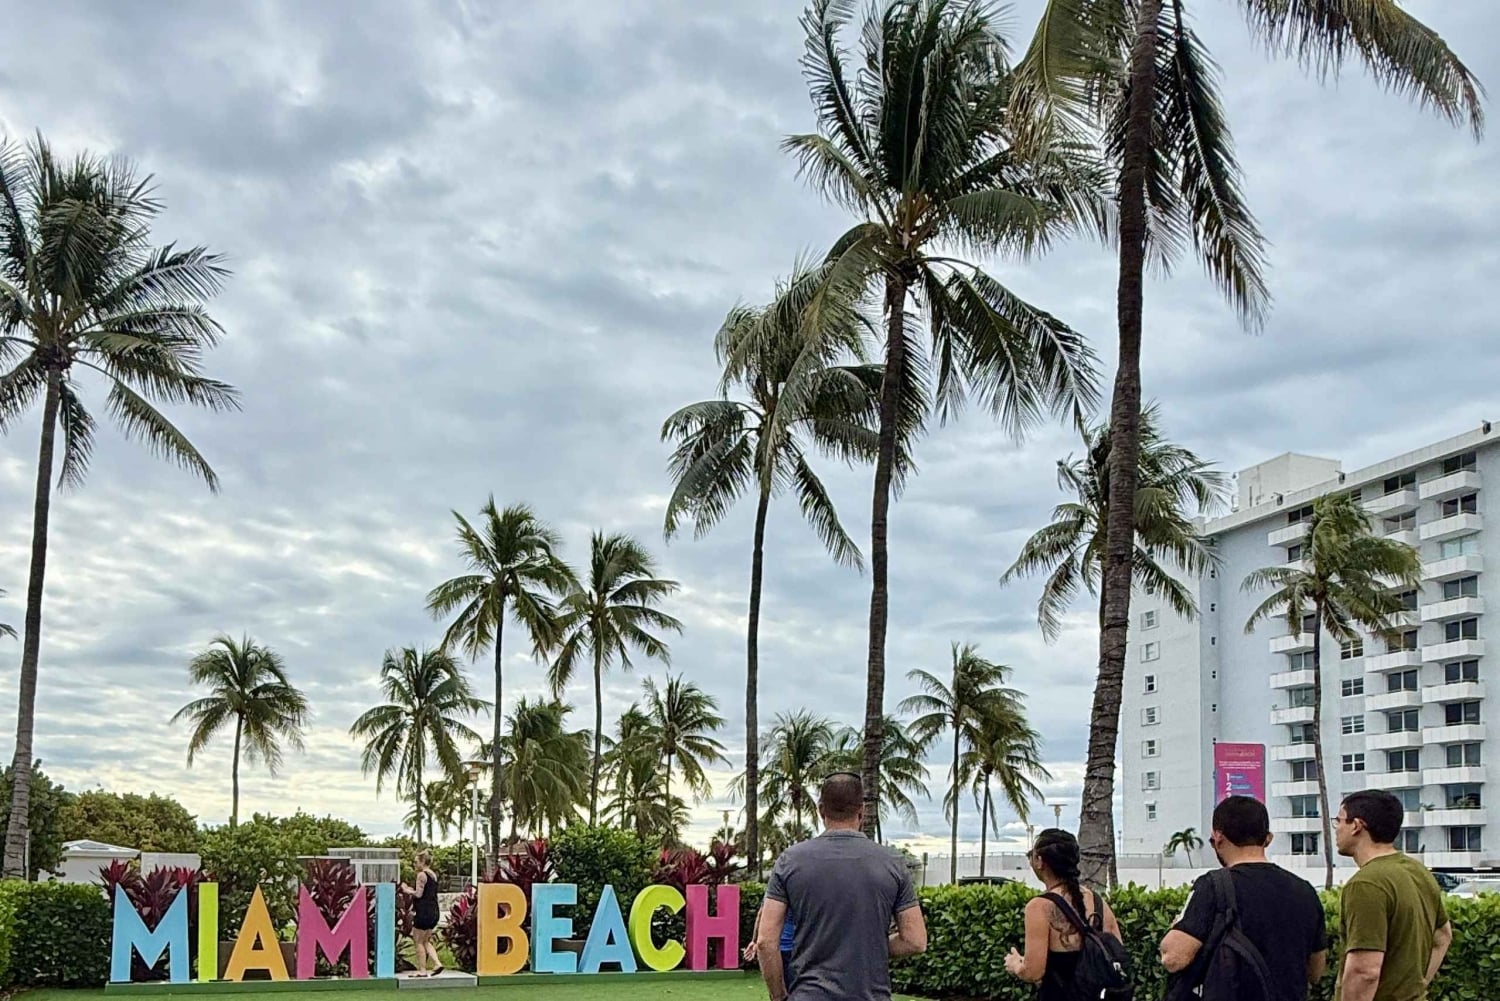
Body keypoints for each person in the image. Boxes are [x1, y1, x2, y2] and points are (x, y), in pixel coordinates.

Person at [757, 773, 927, 1001]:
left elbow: (766, 942)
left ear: (820, 810)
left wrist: (778, 997)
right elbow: (915, 941)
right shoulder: (892, 863)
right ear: (862, 811)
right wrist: (867, 948)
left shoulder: (790, 861)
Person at [1158, 795, 1327, 999]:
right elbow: (1315, 972)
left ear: (1218, 837)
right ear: (1268, 838)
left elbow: (1174, 957)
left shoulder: (1213, 886)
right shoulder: (1305, 891)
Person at [1334, 791, 1452, 1001]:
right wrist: (1416, 986)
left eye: (1339, 820)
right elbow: (1443, 936)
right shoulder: (1418, 871)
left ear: (1356, 826)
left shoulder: (1366, 884)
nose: (1337, 829)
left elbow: (1365, 971)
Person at [1004, 828, 1123, 1000]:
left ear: (1039, 861)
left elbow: (1033, 972)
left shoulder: (1039, 907)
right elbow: (1118, 951)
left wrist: (1016, 964)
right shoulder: (1098, 901)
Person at [401, 850, 443, 977]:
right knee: (426, 941)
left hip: (423, 912)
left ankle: (422, 970)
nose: (415, 864)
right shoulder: (433, 875)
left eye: (416, 862)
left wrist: (406, 890)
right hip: (433, 911)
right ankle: (437, 963)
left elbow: (419, 894)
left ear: (422, 862)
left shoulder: (421, 875)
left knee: (418, 941)